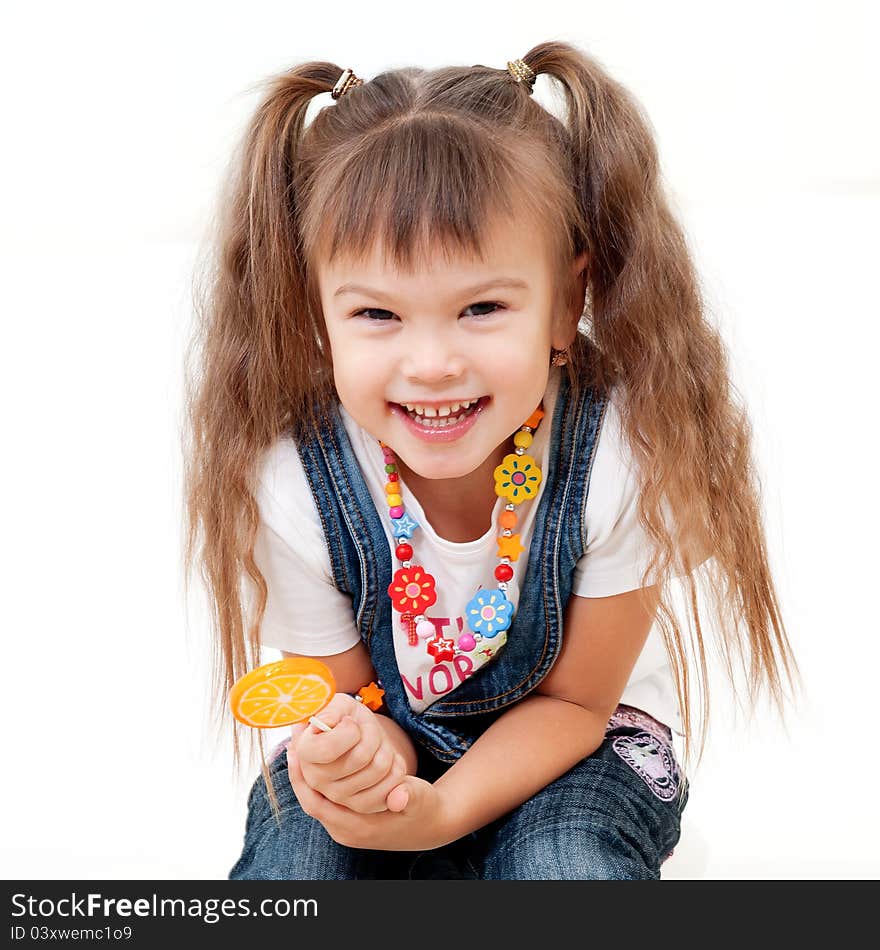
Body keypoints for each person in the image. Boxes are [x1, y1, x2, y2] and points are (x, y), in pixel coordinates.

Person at [182, 41, 799, 880]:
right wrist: (361, 757)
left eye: (480, 307)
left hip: (579, 750)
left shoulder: (626, 451)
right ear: (314, 311)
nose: (431, 362)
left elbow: (578, 705)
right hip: (402, 751)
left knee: (564, 864)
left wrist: (443, 819)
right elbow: (355, 696)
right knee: (297, 868)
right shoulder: (291, 482)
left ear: (565, 302)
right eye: (376, 314)